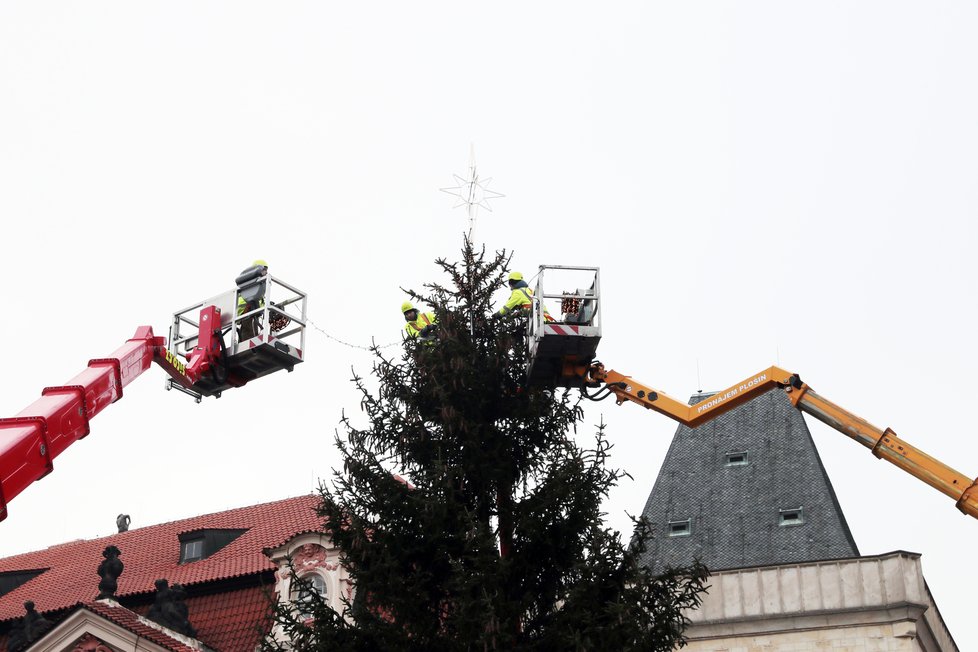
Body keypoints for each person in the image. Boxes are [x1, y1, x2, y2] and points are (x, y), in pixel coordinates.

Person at [236, 260, 268, 340]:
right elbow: (250, 300)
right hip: (247, 312)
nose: (266, 272)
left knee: (253, 335)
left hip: (252, 313)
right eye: (264, 269)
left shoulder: (258, 285)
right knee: (249, 337)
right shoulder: (252, 284)